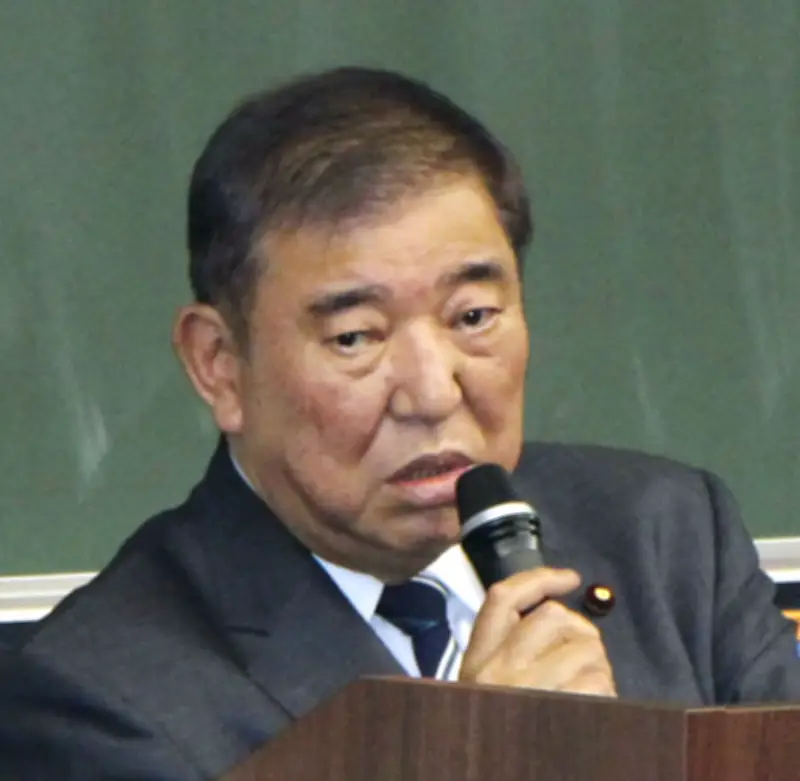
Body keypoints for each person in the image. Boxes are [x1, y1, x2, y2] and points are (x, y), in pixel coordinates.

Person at [1, 66, 798, 780]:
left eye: (474, 316)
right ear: (219, 363)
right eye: (356, 337)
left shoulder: (669, 537)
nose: (433, 391)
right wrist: (478, 754)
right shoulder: (99, 698)